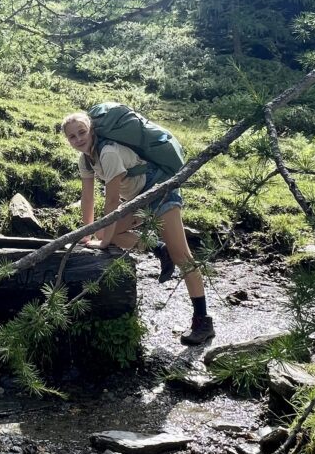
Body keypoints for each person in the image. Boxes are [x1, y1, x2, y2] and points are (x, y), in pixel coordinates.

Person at [61, 110, 214, 345]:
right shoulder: (86, 160)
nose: (78, 139)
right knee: (105, 233)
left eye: (82, 132)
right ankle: (158, 248)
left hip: (159, 190)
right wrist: (88, 232)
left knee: (182, 256)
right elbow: (87, 197)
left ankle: (203, 321)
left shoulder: (109, 153)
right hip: (137, 198)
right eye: (72, 137)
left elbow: (112, 202)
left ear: (91, 130)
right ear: (68, 140)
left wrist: (101, 242)